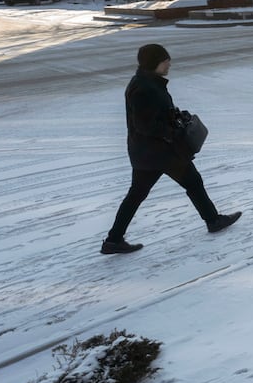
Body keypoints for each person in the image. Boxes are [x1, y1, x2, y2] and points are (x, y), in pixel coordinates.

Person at [100, 43, 240, 254]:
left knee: (137, 194)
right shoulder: (144, 88)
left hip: (147, 153)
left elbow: (154, 115)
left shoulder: (147, 82)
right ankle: (213, 220)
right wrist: (172, 131)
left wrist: (175, 115)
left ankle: (113, 240)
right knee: (192, 182)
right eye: (165, 60)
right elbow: (145, 124)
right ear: (155, 62)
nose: (169, 63)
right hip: (159, 152)